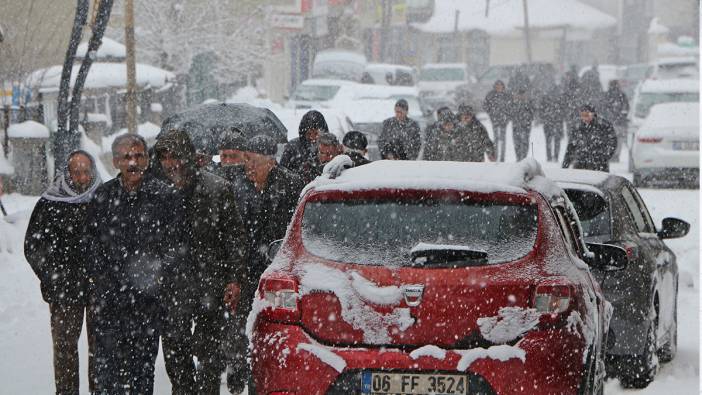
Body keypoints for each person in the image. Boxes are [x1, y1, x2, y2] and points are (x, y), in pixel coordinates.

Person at [153, 129, 249, 395]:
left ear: (188, 156)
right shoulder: (158, 193)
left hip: (212, 283)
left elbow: (235, 237)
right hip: (173, 287)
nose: (171, 163)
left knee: (210, 358)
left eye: (175, 156)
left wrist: (234, 278)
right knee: (175, 354)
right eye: (164, 157)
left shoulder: (217, 189)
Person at [85, 134, 177, 394]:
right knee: (108, 373)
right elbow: (91, 243)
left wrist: (157, 277)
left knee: (141, 373)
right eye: (127, 157)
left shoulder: (163, 195)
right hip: (110, 303)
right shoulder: (103, 197)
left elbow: (176, 243)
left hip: (147, 302)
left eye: (138, 156)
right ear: (116, 161)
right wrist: (102, 280)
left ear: (147, 160)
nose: (133, 162)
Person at [219, 134, 305, 393]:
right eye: (245, 160)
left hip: (279, 275)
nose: (248, 167)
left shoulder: (292, 186)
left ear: (271, 161)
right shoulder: (237, 187)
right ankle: (239, 378)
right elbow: (231, 233)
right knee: (240, 332)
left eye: (253, 161)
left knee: (273, 334)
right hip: (246, 273)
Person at [25, 150, 102, 395]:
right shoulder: (49, 203)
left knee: (101, 348)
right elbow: (33, 246)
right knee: (65, 348)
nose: (81, 177)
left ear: (93, 171)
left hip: (98, 287)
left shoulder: (104, 198)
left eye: (85, 171)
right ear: (66, 173)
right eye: (75, 171)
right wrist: (51, 275)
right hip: (64, 289)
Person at [562, 104, 618, 172]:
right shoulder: (578, 127)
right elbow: (571, 147)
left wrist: (605, 156)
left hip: (599, 164)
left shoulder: (604, 125)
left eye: (587, 115)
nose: (584, 119)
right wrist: (565, 164)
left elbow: (613, 141)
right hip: (580, 164)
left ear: (593, 114)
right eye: (582, 116)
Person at [281, 110, 326, 184]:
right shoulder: (292, 147)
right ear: (303, 133)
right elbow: (283, 172)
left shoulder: (328, 147)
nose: (312, 137)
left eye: (316, 133)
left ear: (323, 132)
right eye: (309, 133)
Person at [483, 80, 512, 161]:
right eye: (497, 85)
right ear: (495, 86)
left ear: (503, 86)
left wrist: (507, 116)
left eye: (500, 85)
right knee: (496, 139)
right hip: (494, 120)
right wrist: (491, 113)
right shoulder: (491, 95)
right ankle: (495, 156)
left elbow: (511, 107)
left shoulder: (506, 95)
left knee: (503, 139)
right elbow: (485, 105)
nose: (499, 87)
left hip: (504, 120)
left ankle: (502, 157)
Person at [602, 80, 629, 162]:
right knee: (619, 139)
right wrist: (622, 116)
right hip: (620, 122)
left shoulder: (606, 95)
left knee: (609, 139)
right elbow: (626, 107)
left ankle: (610, 154)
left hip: (609, 122)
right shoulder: (622, 95)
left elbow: (603, 108)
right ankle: (616, 155)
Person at [540, 84, 565, 162]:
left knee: (548, 141)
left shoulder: (545, 98)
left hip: (549, 122)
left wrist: (544, 118)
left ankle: (549, 157)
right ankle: (555, 157)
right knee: (556, 141)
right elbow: (564, 110)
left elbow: (541, 109)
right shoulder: (560, 98)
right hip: (557, 122)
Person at [510, 89, 535, 161]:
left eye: (522, 95)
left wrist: (527, 119)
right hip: (516, 126)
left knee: (525, 142)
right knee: (516, 143)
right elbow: (510, 113)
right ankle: (518, 158)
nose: (521, 96)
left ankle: (524, 158)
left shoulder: (529, 103)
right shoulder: (514, 103)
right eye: (519, 95)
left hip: (526, 126)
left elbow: (533, 113)